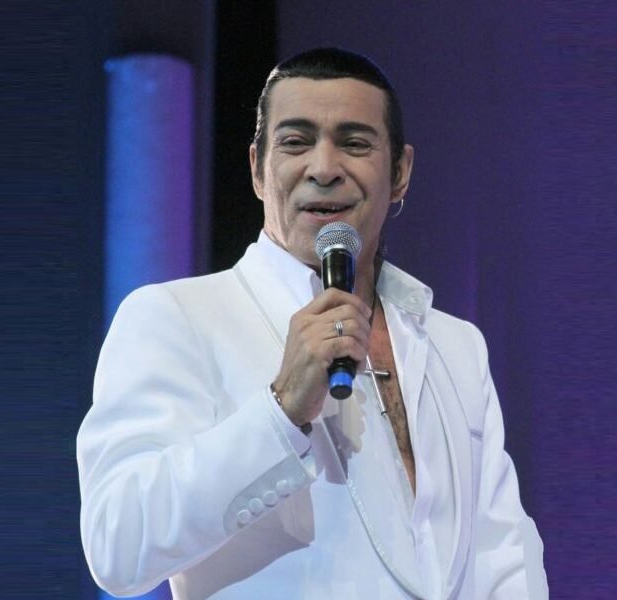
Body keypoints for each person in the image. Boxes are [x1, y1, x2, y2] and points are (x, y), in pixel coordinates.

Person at [78, 47, 548, 599]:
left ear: (400, 172)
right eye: (296, 142)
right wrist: (280, 411)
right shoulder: (178, 317)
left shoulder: (456, 344)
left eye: (354, 143)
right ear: (257, 169)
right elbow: (118, 546)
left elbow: (503, 552)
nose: (324, 169)